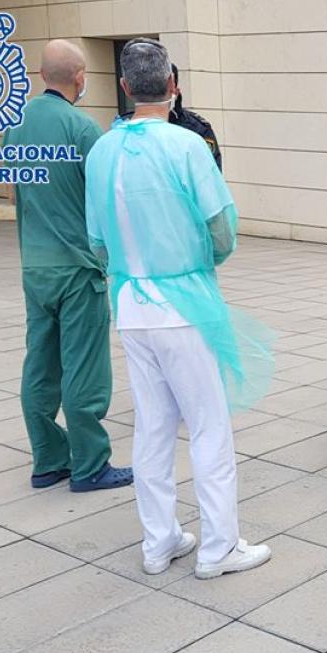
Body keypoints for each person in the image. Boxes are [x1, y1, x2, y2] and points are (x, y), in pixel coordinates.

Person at [85, 38, 274, 579]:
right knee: (209, 426)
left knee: (152, 428)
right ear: (171, 84)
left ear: (125, 86)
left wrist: (131, 270)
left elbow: (96, 241)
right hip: (185, 304)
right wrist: (201, 262)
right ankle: (218, 548)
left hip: (131, 306)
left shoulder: (102, 151)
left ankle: (159, 540)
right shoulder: (188, 145)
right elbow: (222, 228)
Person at [2, 40, 132, 493]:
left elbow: (14, 194)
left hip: (35, 268)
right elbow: (106, 202)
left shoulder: (14, 125)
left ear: (42, 75)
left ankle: (48, 459)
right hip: (78, 269)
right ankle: (90, 465)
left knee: (40, 363)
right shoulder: (83, 129)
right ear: (80, 78)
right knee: (84, 368)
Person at [120, 62, 221, 170]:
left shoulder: (196, 129)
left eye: (161, 89)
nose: (156, 95)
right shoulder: (124, 127)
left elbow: (210, 172)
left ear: (175, 89)